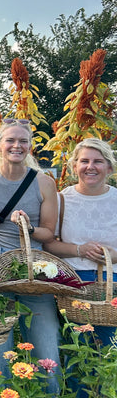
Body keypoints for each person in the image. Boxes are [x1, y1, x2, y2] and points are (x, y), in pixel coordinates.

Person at [0, 118, 60, 395]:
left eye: (23, 141)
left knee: (48, 354)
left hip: (35, 269)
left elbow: (49, 234)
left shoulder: (44, 184)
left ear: (30, 147)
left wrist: (30, 228)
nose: (16, 146)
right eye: (10, 140)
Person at [44, 138, 117, 346]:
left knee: (110, 352)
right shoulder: (61, 200)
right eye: (84, 161)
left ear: (109, 166)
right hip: (75, 283)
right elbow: (49, 244)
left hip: (113, 282)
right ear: (75, 166)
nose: (90, 167)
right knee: (78, 352)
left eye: (98, 161)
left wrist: (114, 256)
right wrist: (79, 249)